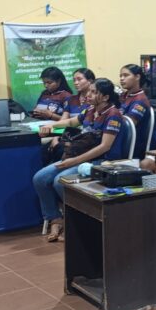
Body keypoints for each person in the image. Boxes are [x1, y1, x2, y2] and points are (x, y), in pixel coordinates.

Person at [33, 79, 124, 242]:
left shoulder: (113, 115)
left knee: (60, 181)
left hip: (101, 161)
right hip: (80, 157)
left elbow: (104, 147)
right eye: (89, 91)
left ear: (105, 97)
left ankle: (76, 220)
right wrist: (50, 129)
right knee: (39, 179)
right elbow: (70, 122)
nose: (88, 95)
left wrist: (73, 161)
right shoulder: (90, 110)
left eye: (94, 92)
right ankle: (56, 219)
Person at [118, 64, 152, 158]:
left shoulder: (140, 100)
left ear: (137, 77)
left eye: (126, 75)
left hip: (130, 147)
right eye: (120, 76)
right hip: (118, 140)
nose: (121, 78)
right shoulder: (123, 96)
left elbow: (128, 126)